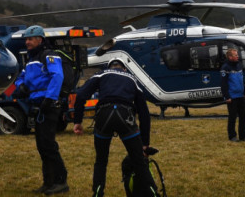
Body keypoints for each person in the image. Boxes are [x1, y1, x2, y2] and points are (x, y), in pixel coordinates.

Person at [73, 59, 157, 197]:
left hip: (103, 115)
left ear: (110, 67)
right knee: (139, 162)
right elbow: (144, 113)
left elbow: (81, 95)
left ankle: (98, 193)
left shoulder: (101, 74)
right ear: (124, 69)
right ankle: (153, 194)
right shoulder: (132, 79)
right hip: (125, 115)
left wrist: (77, 121)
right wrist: (144, 143)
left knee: (101, 161)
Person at [13, 25, 68, 195]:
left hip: (48, 106)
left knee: (48, 144)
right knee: (42, 145)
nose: (27, 42)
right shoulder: (31, 60)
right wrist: (20, 86)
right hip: (36, 105)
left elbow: (57, 76)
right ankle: (48, 182)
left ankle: (61, 181)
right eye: (26, 39)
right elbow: (20, 77)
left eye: (30, 39)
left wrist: (50, 99)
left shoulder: (48, 55)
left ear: (40, 39)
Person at [220, 48, 245, 142]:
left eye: (237, 54)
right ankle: (232, 136)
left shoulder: (239, 65)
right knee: (232, 117)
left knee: (243, 116)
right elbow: (223, 84)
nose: (238, 56)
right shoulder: (225, 68)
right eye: (235, 55)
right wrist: (227, 96)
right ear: (230, 57)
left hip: (241, 95)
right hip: (232, 97)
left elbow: (242, 80)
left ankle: (243, 136)